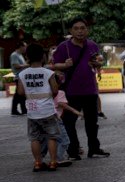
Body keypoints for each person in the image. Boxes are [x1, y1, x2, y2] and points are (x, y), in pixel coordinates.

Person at [52, 18, 108, 158]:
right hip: (71, 91)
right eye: (76, 28)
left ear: (87, 30)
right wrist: (65, 65)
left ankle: (94, 148)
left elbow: (97, 63)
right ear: (71, 31)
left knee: (92, 122)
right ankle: (73, 150)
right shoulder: (63, 47)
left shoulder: (92, 45)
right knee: (69, 122)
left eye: (82, 28)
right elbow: (54, 65)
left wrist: (97, 64)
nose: (80, 31)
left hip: (90, 89)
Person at [17, 43, 61, 172]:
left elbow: (20, 92)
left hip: (32, 111)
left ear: (27, 57)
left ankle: (37, 162)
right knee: (51, 136)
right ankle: (53, 162)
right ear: (43, 56)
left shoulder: (22, 74)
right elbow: (55, 90)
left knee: (34, 138)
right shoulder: (48, 73)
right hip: (47, 110)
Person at [41, 80, 78, 167]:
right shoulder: (60, 92)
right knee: (64, 140)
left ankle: (39, 159)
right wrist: (75, 111)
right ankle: (59, 158)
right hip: (55, 119)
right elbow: (61, 103)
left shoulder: (43, 92)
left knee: (46, 140)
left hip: (42, 117)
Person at [10, 40, 28, 115]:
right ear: (21, 47)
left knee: (20, 94)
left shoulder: (20, 55)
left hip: (22, 77)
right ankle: (15, 110)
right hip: (18, 77)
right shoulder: (15, 55)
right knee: (18, 94)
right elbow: (16, 65)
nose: (26, 48)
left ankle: (22, 110)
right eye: (25, 46)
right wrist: (27, 65)